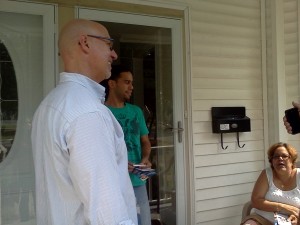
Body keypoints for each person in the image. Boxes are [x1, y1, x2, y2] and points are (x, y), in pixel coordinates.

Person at [31, 19, 137, 225]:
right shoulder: (88, 112)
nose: (114, 55)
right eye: (109, 45)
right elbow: (107, 211)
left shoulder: (49, 105)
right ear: (85, 43)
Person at [101, 65, 152, 225]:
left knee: (144, 218)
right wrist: (119, 163)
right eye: (127, 82)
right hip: (114, 181)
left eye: (132, 82)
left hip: (138, 175)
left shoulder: (136, 111)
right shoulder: (101, 112)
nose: (131, 87)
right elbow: (99, 150)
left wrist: (145, 159)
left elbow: (145, 142)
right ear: (112, 84)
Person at [240, 142, 300, 225]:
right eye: (276, 156)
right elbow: (256, 200)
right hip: (262, 219)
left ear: (292, 160)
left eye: (284, 156)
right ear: (272, 161)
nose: (280, 158)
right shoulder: (267, 174)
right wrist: (285, 208)